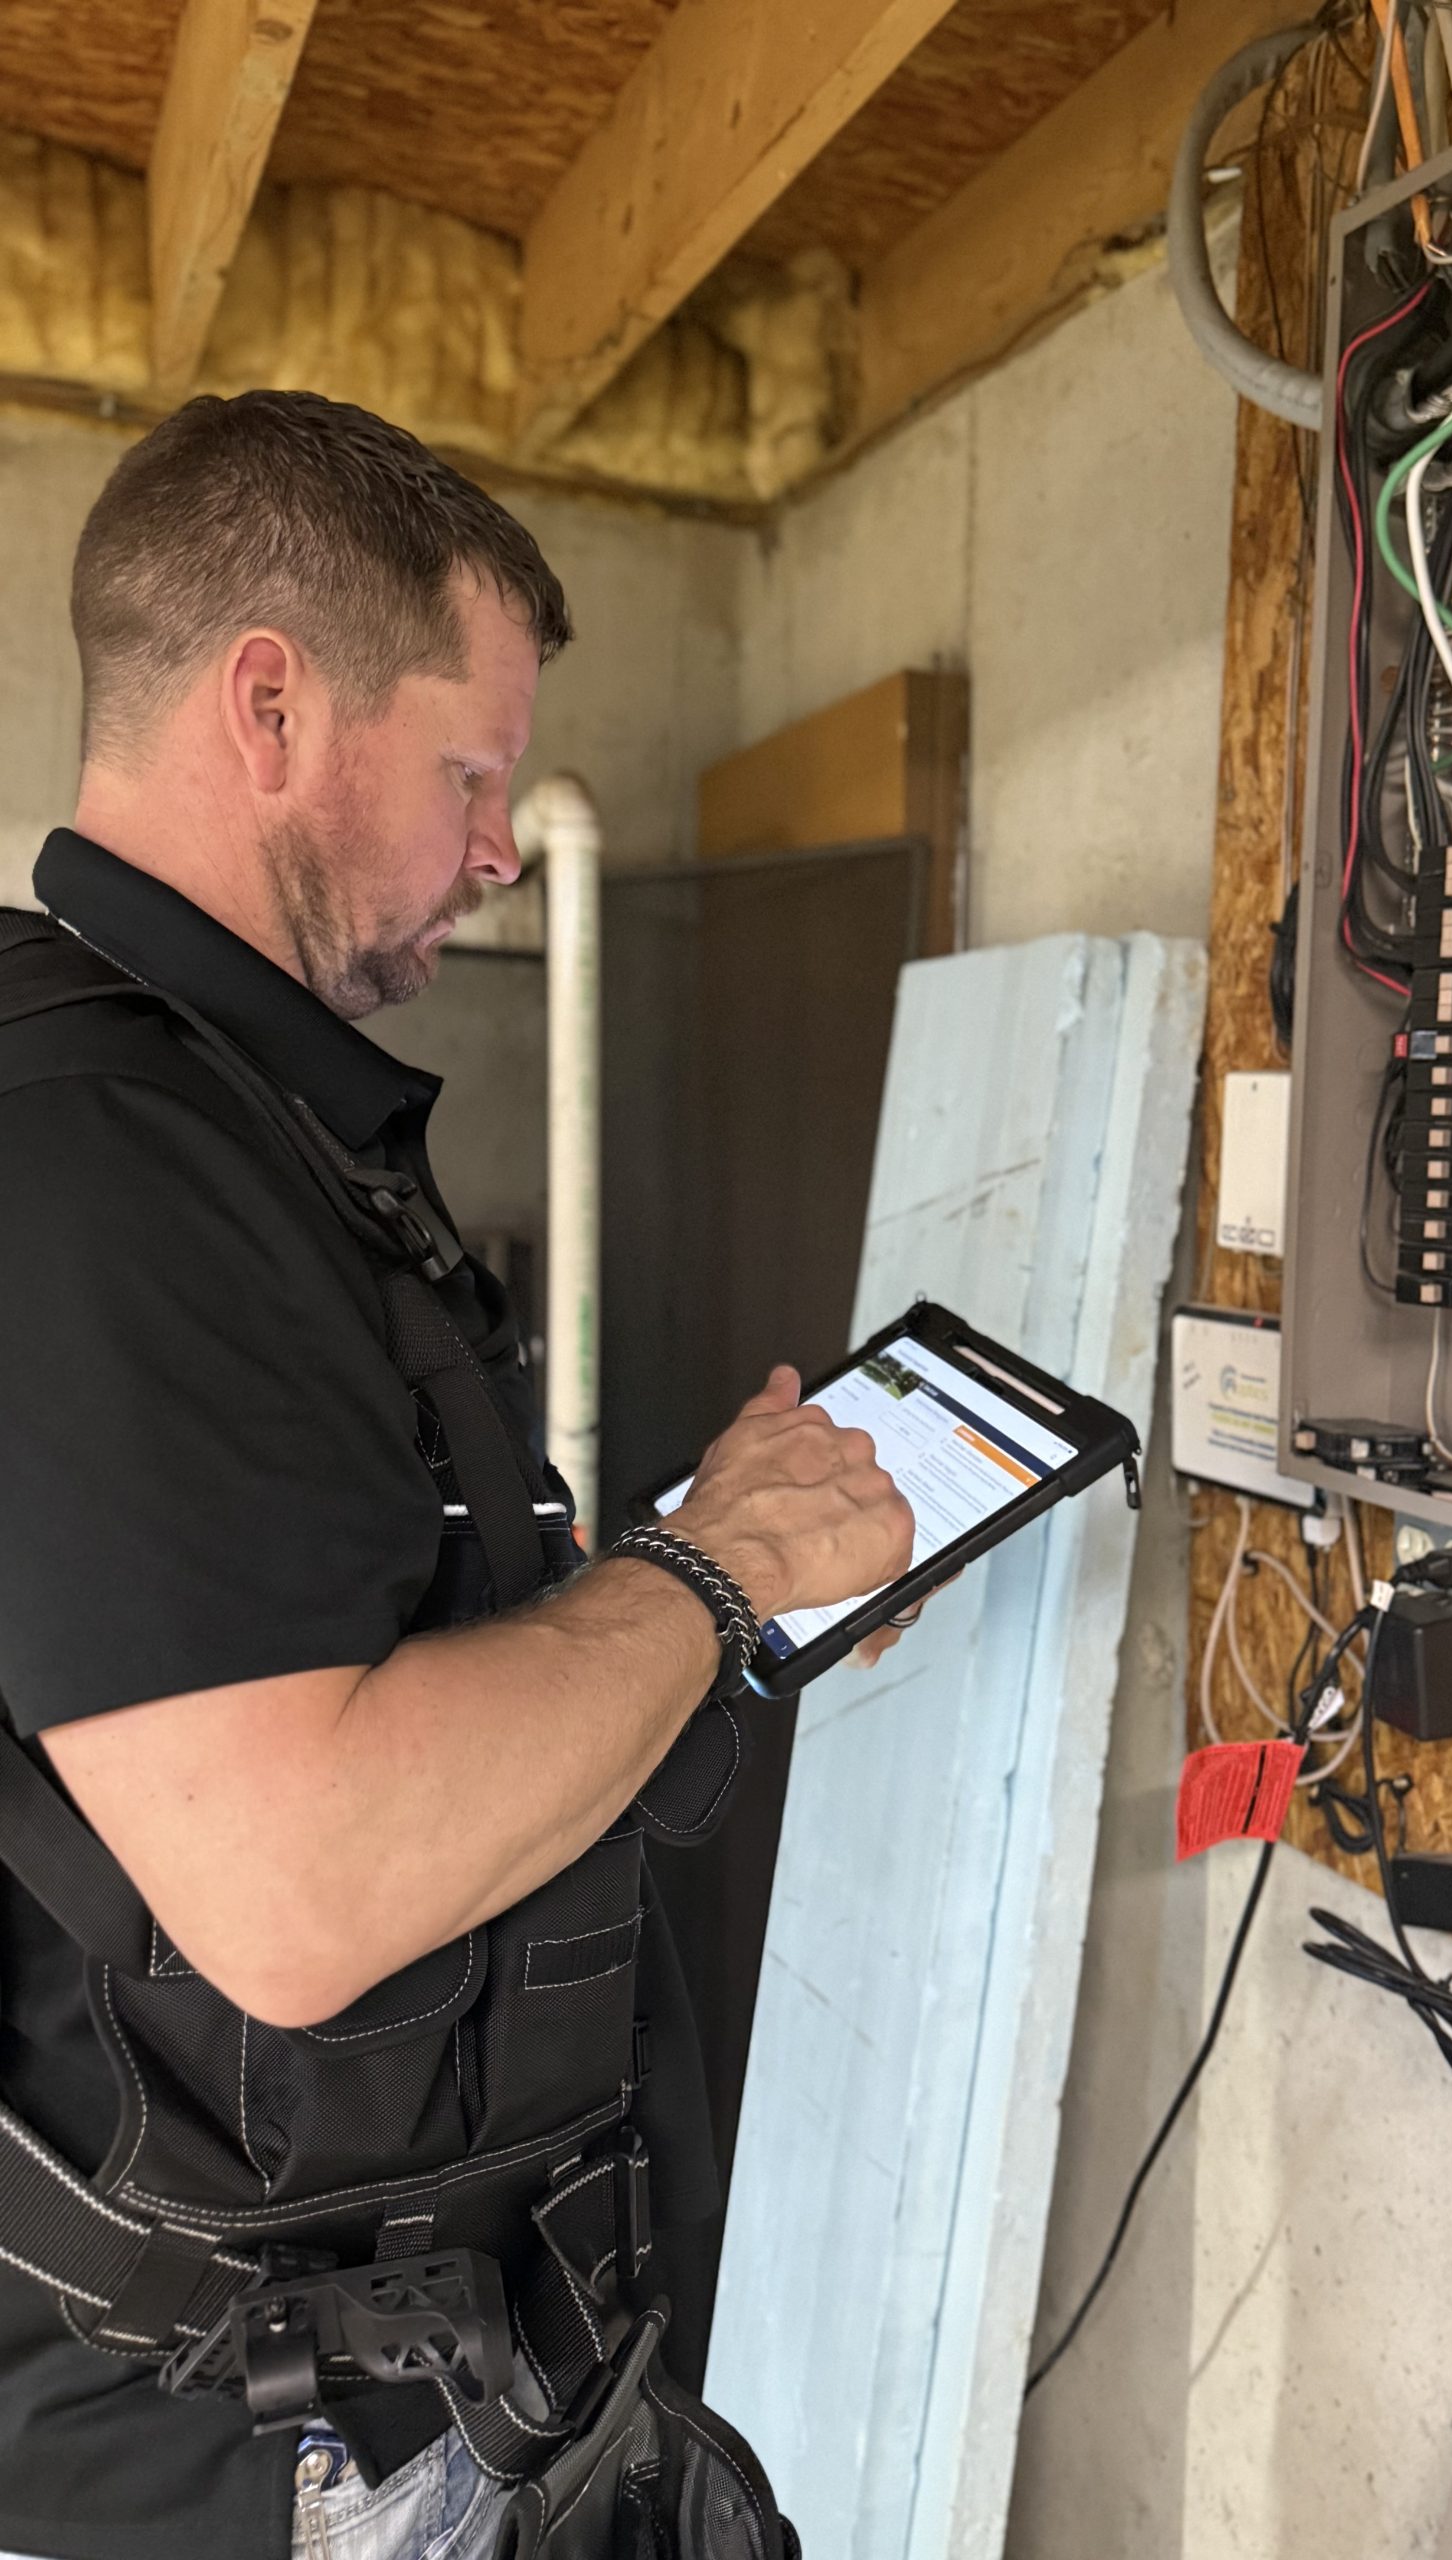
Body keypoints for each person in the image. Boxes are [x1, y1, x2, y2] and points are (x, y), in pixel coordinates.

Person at [0, 390, 914, 2560]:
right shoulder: (98, 1164)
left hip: (434, 2388)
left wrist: (720, 1578)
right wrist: (701, 1576)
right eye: (470, 773)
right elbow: (297, 1883)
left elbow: (384, 1656)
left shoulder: (255, 1136)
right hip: (246, 2460)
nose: (499, 844)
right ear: (271, 704)